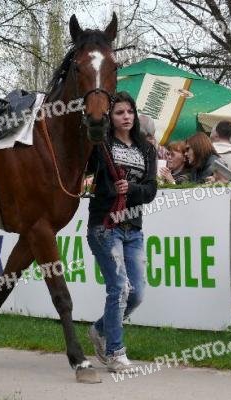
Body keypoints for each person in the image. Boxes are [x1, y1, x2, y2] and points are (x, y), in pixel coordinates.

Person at [85, 91, 157, 372]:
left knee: (136, 293)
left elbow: (150, 190)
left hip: (133, 228)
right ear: (110, 117)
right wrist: (112, 188)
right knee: (119, 288)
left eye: (130, 112)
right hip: (105, 226)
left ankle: (99, 330)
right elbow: (90, 178)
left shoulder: (146, 149)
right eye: (119, 113)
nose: (126, 117)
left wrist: (132, 189)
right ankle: (115, 353)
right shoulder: (101, 145)